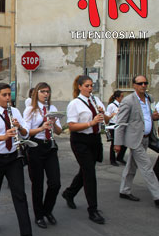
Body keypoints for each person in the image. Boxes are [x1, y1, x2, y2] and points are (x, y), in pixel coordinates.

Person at [0, 82, 32, 236]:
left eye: (10, 94)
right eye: (4, 95)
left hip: (13, 158)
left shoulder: (15, 111)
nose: (8, 98)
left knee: (20, 194)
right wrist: (4, 136)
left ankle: (26, 231)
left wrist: (20, 128)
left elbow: (26, 133)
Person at [62, 75, 109, 224]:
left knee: (85, 170)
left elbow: (106, 119)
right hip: (80, 140)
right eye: (87, 86)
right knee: (89, 173)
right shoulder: (75, 104)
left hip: (94, 139)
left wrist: (103, 114)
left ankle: (69, 193)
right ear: (80, 87)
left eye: (91, 85)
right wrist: (91, 122)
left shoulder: (95, 100)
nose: (90, 88)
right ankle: (93, 209)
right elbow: (71, 126)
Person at [114, 75, 159, 208]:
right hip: (135, 139)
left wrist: (154, 117)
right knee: (147, 167)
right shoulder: (128, 101)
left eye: (145, 83)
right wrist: (117, 143)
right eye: (140, 83)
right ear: (134, 85)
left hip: (146, 138)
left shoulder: (149, 98)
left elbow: (148, 116)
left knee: (131, 166)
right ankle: (157, 196)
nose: (143, 86)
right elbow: (120, 122)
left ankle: (124, 190)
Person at [23, 82, 62, 229]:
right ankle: (39, 215)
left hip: (50, 146)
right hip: (36, 147)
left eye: (48, 91)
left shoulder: (52, 108)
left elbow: (58, 131)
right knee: (37, 184)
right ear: (36, 93)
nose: (46, 94)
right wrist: (41, 127)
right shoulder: (30, 110)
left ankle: (47, 210)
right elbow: (25, 132)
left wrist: (54, 123)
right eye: (43, 91)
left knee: (55, 183)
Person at [105, 90, 126, 166]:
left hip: (121, 125)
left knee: (124, 143)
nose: (123, 98)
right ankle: (112, 160)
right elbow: (107, 117)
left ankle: (120, 157)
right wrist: (113, 114)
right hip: (113, 125)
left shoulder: (122, 105)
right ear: (117, 97)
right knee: (114, 143)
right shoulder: (111, 106)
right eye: (121, 96)